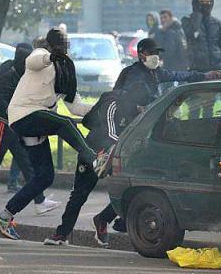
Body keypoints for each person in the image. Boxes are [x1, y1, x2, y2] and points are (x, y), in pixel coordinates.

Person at [0, 28, 95, 240]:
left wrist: (100, 107)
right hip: (23, 114)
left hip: (36, 126)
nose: (64, 49)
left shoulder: (65, 71)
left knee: (45, 177)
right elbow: (33, 62)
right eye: (60, 46)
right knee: (64, 123)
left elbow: (76, 106)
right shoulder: (39, 56)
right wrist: (50, 56)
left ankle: (3, 216)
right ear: (51, 45)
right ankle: (93, 158)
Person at [44, 83, 150, 247]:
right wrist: (125, 146)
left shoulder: (137, 111)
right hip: (94, 151)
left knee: (129, 190)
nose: (142, 110)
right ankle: (62, 233)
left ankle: (103, 219)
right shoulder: (112, 103)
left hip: (118, 154)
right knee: (80, 194)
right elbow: (109, 132)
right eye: (141, 106)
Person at [0, 43, 60, 217]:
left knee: (27, 162)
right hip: (4, 123)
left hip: (15, 124)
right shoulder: (9, 72)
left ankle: (39, 201)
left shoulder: (23, 72)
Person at [113, 38, 221, 100]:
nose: (155, 56)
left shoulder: (157, 72)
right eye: (151, 52)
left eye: (156, 53)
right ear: (141, 55)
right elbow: (125, 97)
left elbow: (178, 75)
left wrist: (205, 75)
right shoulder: (133, 73)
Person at [181, 0, 221, 77]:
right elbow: (191, 35)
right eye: (202, 2)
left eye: (208, 2)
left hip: (217, 68)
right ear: (196, 3)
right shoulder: (187, 20)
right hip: (197, 69)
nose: (205, 5)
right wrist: (197, 16)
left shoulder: (216, 23)